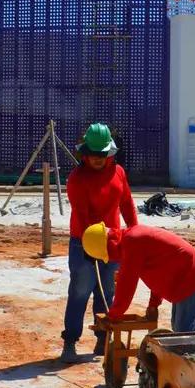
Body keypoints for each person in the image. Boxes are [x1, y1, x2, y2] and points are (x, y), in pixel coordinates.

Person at [61, 123, 137, 363]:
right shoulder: (77, 179)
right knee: (80, 291)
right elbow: (83, 217)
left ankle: (103, 340)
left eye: (102, 154)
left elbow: (126, 203)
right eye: (93, 154)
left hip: (113, 242)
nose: (97, 159)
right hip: (84, 241)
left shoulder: (119, 173)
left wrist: (134, 232)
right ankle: (70, 341)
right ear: (85, 153)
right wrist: (90, 247)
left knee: (106, 293)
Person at [82, 222, 195, 332]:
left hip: (190, 275)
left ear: (109, 247)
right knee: (178, 329)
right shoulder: (130, 239)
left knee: (184, 333)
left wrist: (113, 316)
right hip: (181, 274)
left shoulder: (132, 242)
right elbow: (159, 271)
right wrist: (153, 304)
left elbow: (126, 285)